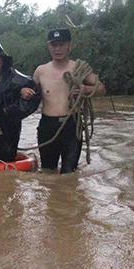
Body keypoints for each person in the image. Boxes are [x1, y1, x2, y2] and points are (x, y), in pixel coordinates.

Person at [33, 28, 106, 173]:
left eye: (61, 44)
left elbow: (102, 88)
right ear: (49, 47)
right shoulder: (40, 71)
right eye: (54, 45)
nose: (57, 49)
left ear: (69, 46)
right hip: (47, 126)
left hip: (72, 126)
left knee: (69, 173)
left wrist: (85, 89)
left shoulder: (79, 68)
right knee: (47, 171)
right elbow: (29, 96)